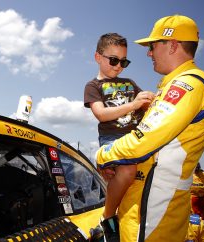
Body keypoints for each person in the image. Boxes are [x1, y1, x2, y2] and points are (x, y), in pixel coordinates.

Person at [95, 14, 204, 242]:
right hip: (145, 205)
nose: (148, 53)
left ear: (172, 45)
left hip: (153, 212)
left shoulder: (189, 83)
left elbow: (142, 142)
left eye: (152, 46)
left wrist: (104, 155)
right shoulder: (174, 86)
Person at [84, 33, 155, 241]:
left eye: (124, 62)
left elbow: (148, 107)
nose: (119, 66)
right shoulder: (93, 86)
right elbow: (101, 114)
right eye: (113, 60)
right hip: (111, 141)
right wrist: (133, 104)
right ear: (98, 57)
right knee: (127, 169)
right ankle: (107, 218)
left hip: (136, 140)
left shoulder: (130, 83)